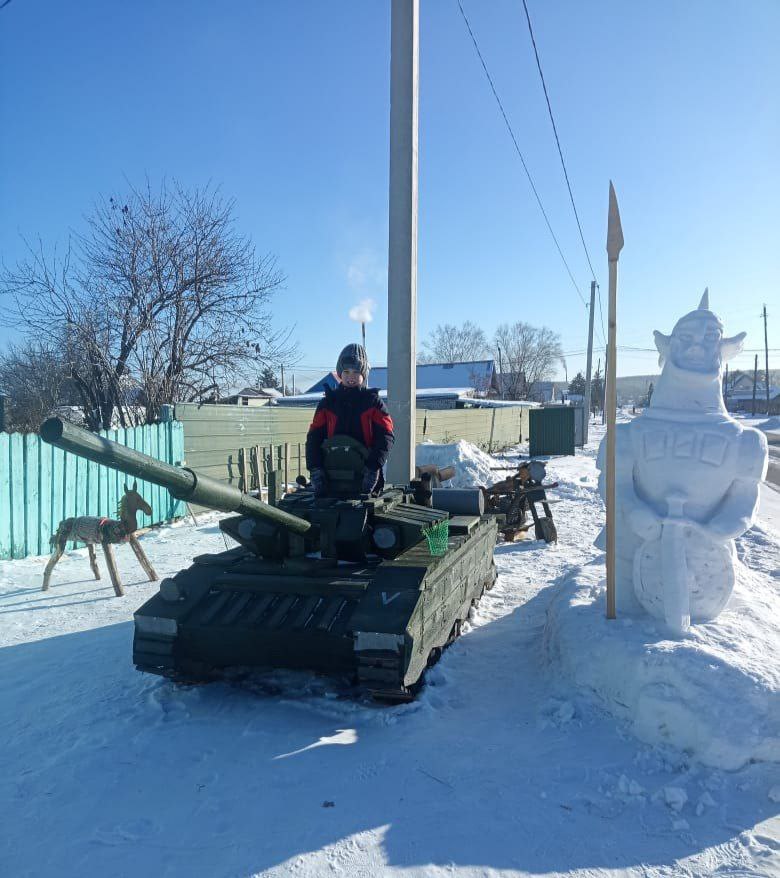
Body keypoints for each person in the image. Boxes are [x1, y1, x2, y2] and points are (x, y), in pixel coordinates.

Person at [305, 343, 394, 496]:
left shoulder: (373, 403)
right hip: (330, 478)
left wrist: (373, 468)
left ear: (364, 374)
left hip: (365, 481)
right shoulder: (328, 403)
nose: (350, 376)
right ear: (340, 373)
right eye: (346, 371)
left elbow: (386, 436)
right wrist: (315, 468)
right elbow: (314, 437)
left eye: (356, 371)